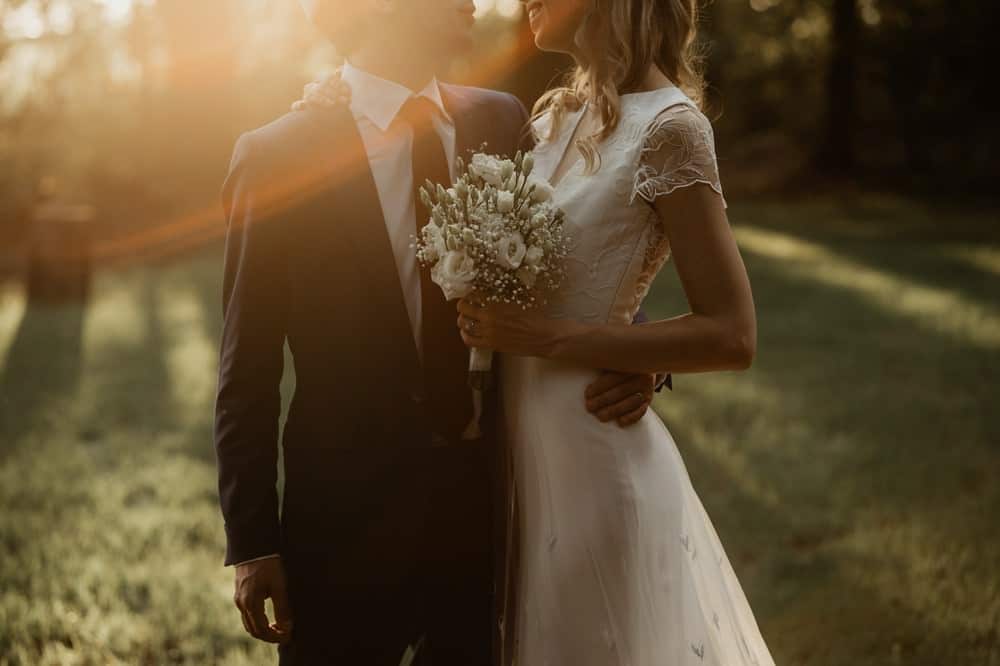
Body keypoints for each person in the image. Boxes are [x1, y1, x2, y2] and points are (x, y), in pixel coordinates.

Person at [301, 0, 776, 662]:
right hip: (515, 460)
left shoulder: (672, 128)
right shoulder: (553, 118)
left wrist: (556, 341)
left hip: (592, 453)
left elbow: (732, 334)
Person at [214, 1, 662, 664]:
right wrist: (253, 542)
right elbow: (246, 367)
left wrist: (640, 356)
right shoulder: (276, 156)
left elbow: (576, 251)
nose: (471, 3)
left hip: (483, 507)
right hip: (341, 521)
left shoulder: (500, 118)